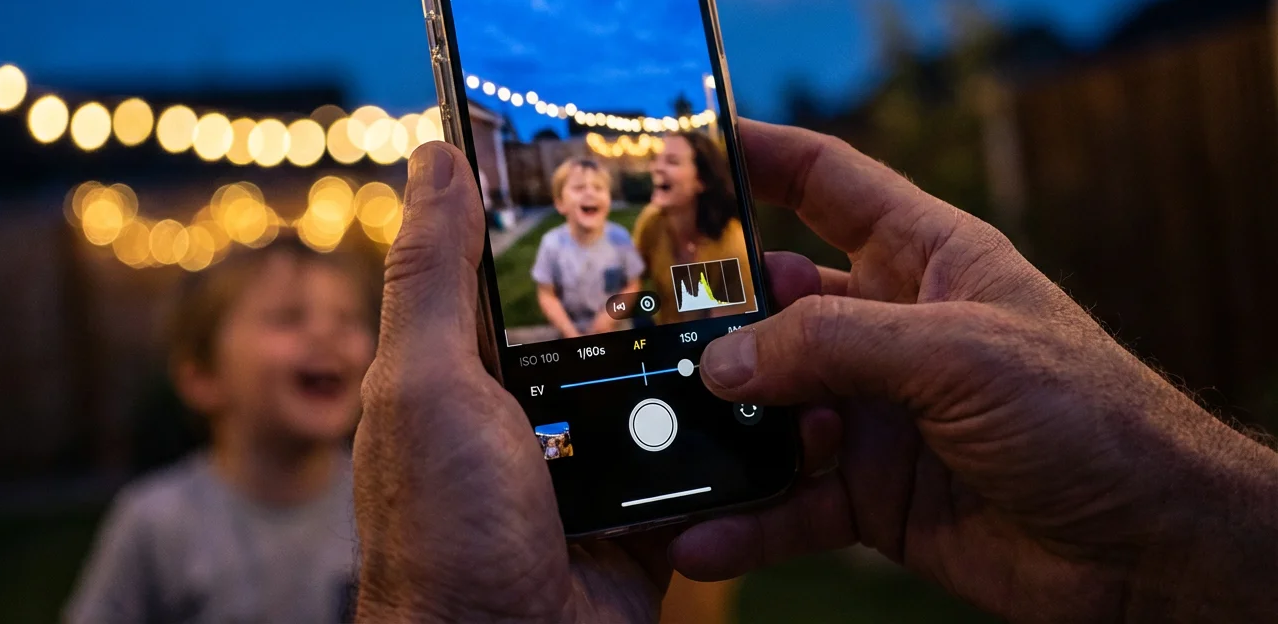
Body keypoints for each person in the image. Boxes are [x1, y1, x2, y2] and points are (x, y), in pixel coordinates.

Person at [352, 121, 1278, 622]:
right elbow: (641, 298)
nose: (659, 179)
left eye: (673, 165)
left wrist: (1172, 538)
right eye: (656, 167)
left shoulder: (717, 237)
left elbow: (693, 303)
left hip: (707, 381)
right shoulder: (627, 239)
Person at [66, 238, 378, 624]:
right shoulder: (156, 523)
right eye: (288, 318)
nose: (326, 334)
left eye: (348, 319)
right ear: (202, 376)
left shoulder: (387, 508)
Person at [633, 131, 755, 323]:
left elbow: (733, 326)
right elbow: (631, 279)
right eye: (656, 159)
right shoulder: (651, 221)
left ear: (702, 181)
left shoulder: (732, 243)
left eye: (672, 162)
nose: (656, 168)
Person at [532, 157, 645, 338]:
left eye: (599, 188)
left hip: (616, 327)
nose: (590, 193)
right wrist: (568, 330)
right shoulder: (551, 244)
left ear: (608, 199)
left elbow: (633, 284)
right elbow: (546, 294)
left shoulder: (620, 239)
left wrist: (610, 316)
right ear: (560, 203)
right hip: (570, 330)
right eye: (579, 188)